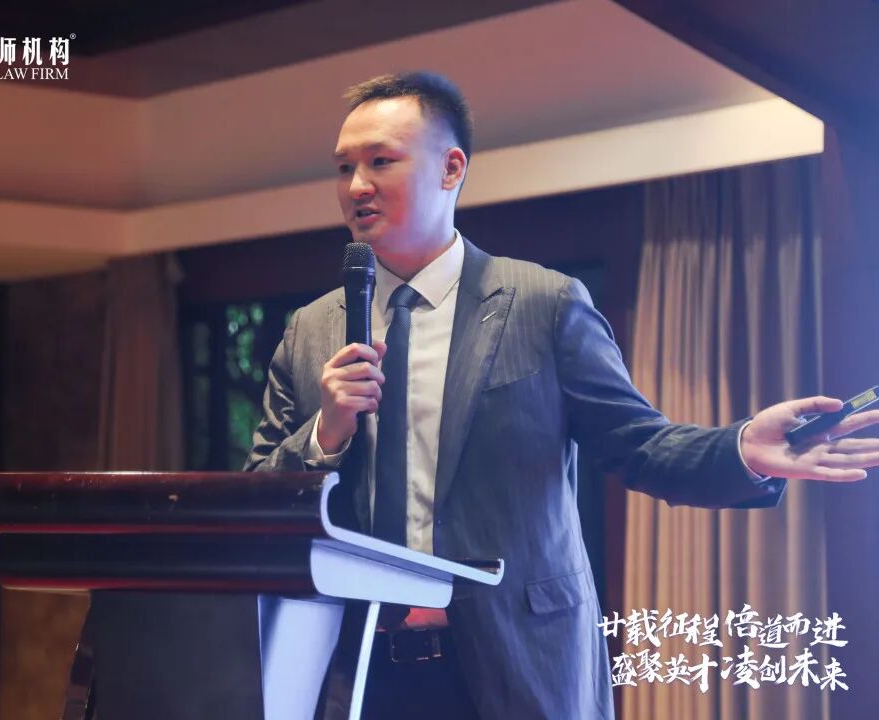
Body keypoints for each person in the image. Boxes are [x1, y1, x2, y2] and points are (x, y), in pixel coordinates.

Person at [243, 71, 879, 719]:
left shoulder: (542, 304)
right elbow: (253, 498)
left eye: (381, 161)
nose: (356, 186)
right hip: (355, 670)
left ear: (451, 168)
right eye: (344, 167)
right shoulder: (310, 330)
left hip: (516, 663)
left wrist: (740, 448)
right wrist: (325, 433)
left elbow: (638, 445)